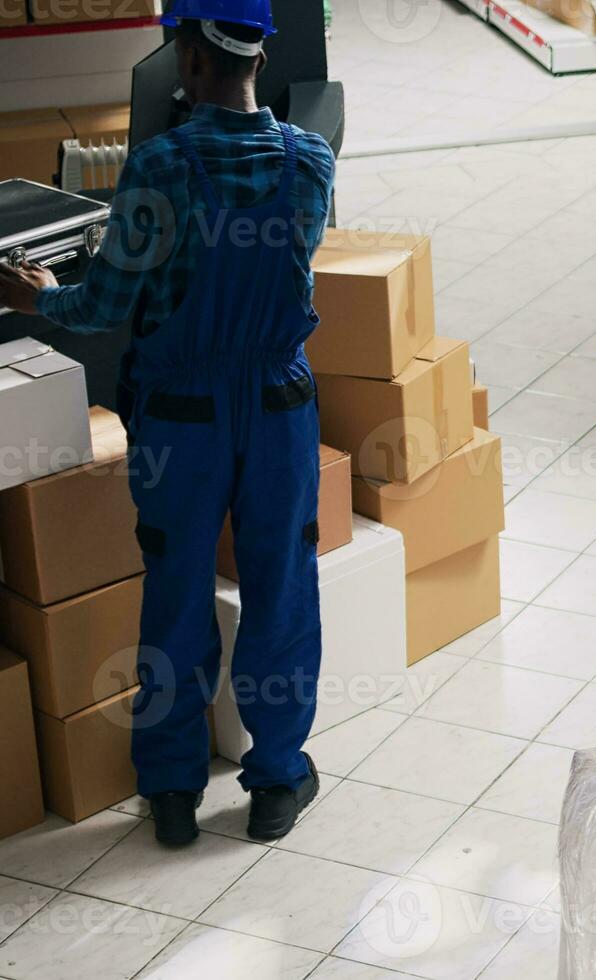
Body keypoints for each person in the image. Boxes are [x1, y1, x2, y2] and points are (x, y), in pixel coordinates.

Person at [0, 0, 335, 847]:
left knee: (178, 592)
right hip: (279, 409)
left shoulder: (158, 167)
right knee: (280, 590)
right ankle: (277, 781)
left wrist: (40, 294)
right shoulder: (311, 161)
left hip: (182, 421)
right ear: (258, 56)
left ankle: (175, 792)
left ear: (187, 57)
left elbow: (104, 304)